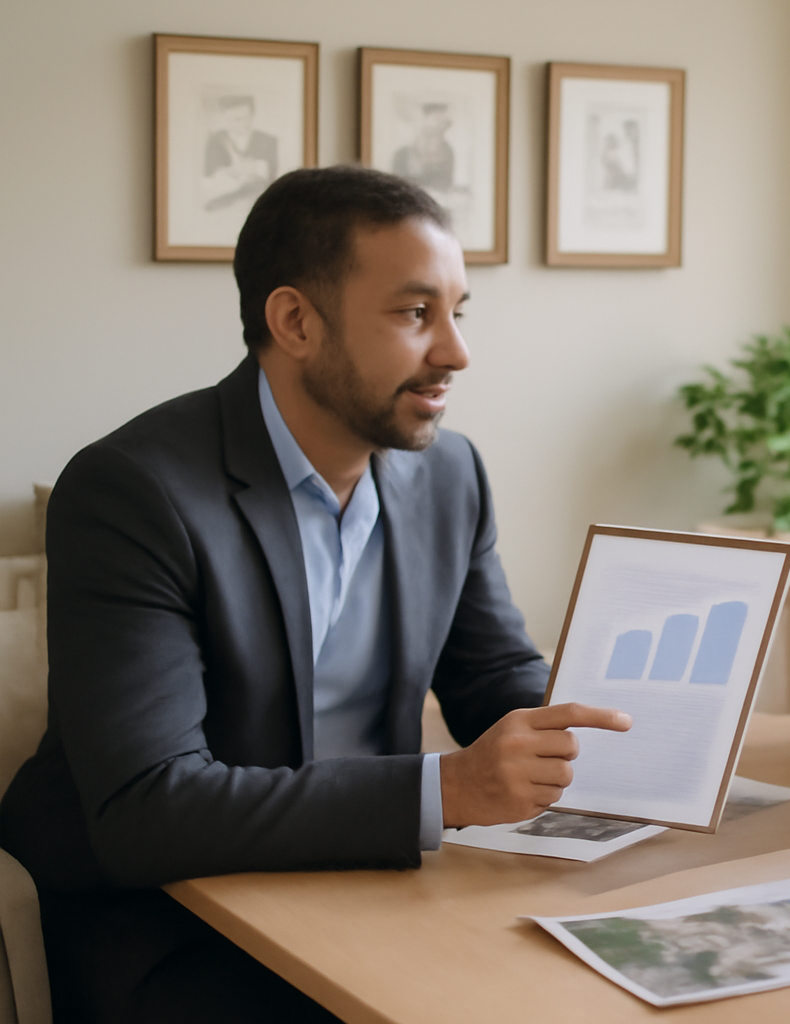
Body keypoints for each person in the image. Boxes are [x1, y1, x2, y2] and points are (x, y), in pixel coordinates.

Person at [0, 166, 631, 1023]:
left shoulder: (449, 473)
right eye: (415, 314)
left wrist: (633, 724)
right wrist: (447, 791)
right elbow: (148, 808)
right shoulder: (133, 490)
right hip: (167, 920)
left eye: (458, 312)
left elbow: (494, 682)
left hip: (366, 889)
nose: (456, 350)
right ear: (295, 321)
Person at [202, 94, 279, 212]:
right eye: (236, 119)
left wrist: (234, 172)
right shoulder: (215, 141)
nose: (243, 123)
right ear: (224, 118)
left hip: (259, 206)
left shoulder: (268, 141)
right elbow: (210, 179)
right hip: (223, 206)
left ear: (252, 115)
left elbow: (271, 178)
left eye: (246, 117)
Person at [391, 102, 455, 194]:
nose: (441, 126)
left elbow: (446, 184)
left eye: (444, 123)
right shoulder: (402, 154)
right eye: (437, 120)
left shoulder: (448, 152)